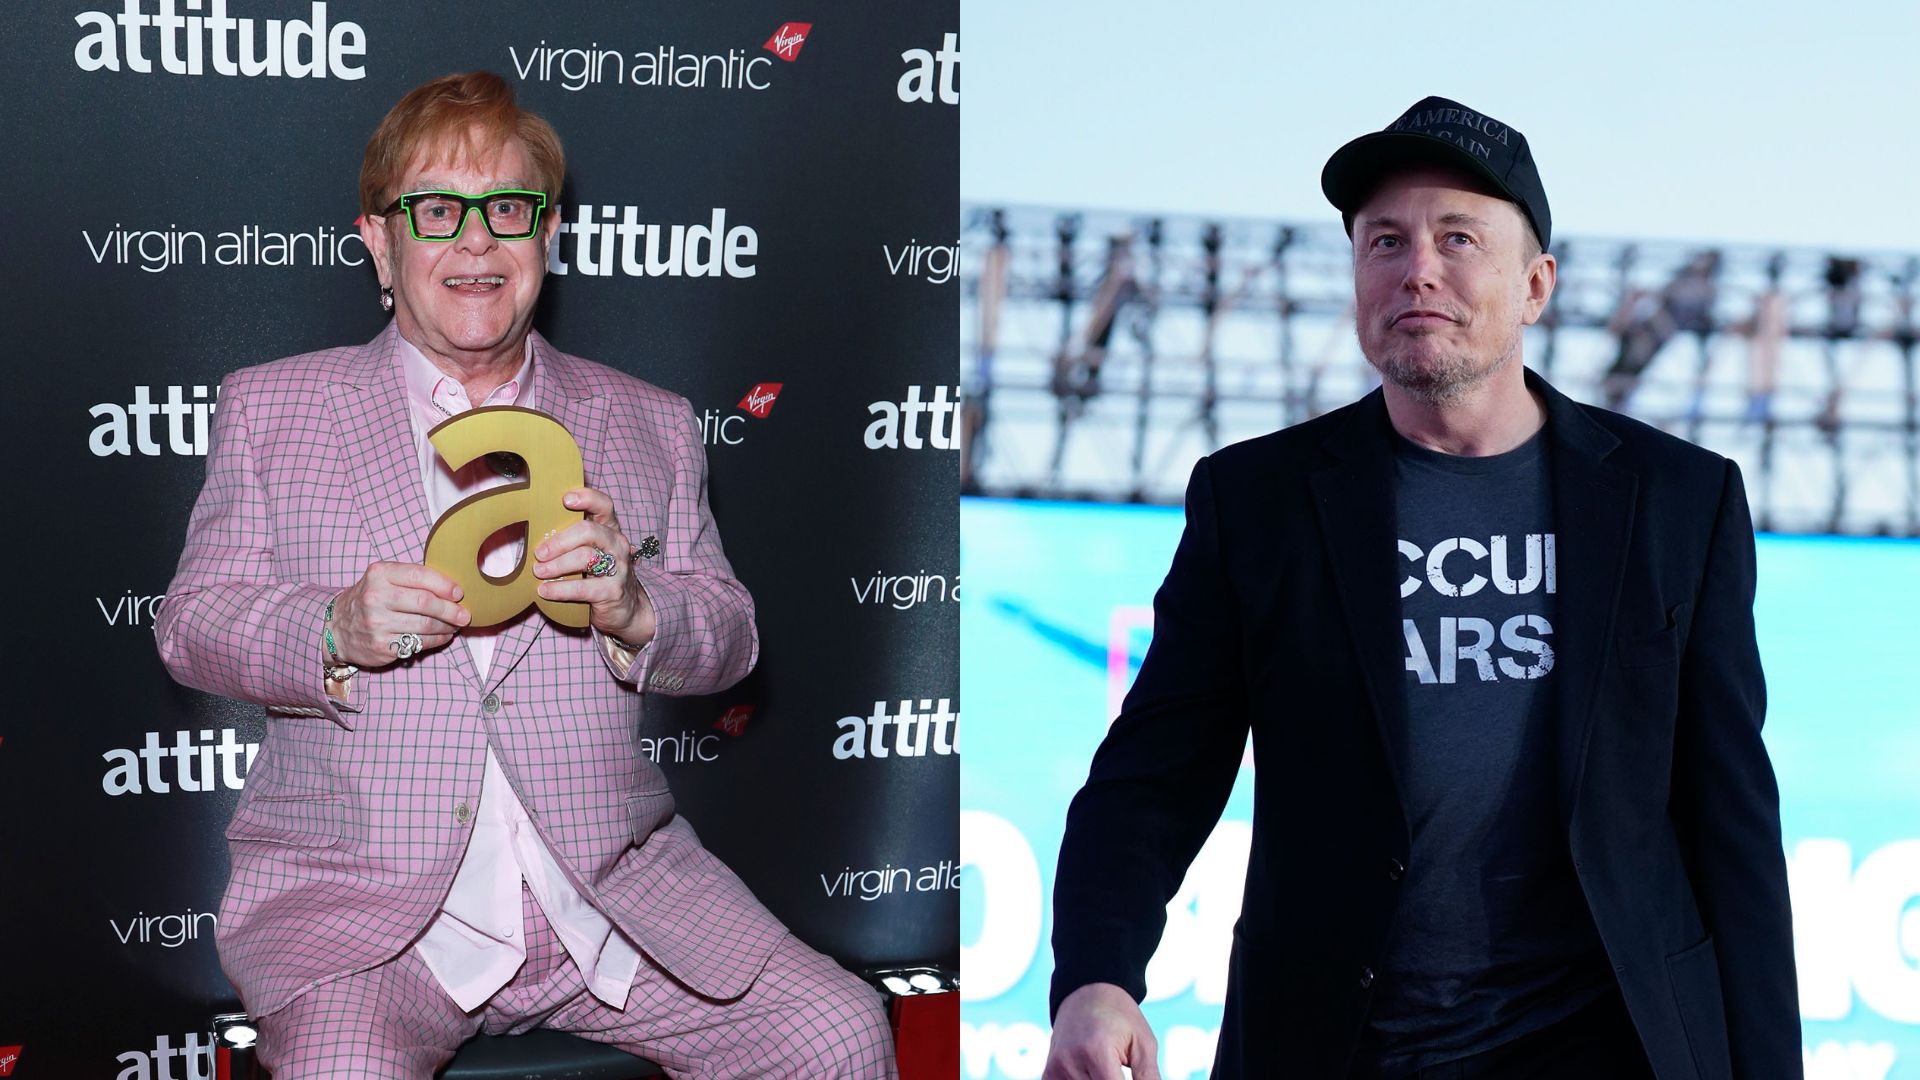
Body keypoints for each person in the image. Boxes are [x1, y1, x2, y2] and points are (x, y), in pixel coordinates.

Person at [155, 72, 894, 1079]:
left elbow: (729, 634)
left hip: (614, 900)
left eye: (507, 209)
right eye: (436, 211)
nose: (474, 242)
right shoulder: (275, 410)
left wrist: (638, 608)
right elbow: (191, 623)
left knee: (840, 1032)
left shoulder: (649, 421)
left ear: (547, 236)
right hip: (373, 921)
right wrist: (330, 627)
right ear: (380, 240)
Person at [1043, 96, 1798, 1079]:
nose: (1418, 270)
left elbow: (1730, 820)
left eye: (1458, 237)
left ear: (1536, 286)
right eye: (1384, 241)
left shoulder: (1677, 500)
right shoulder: (1260, 501)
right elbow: (1152, 775)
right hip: (1336, 1046)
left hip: (1610, 1045)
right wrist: (1098, 976)